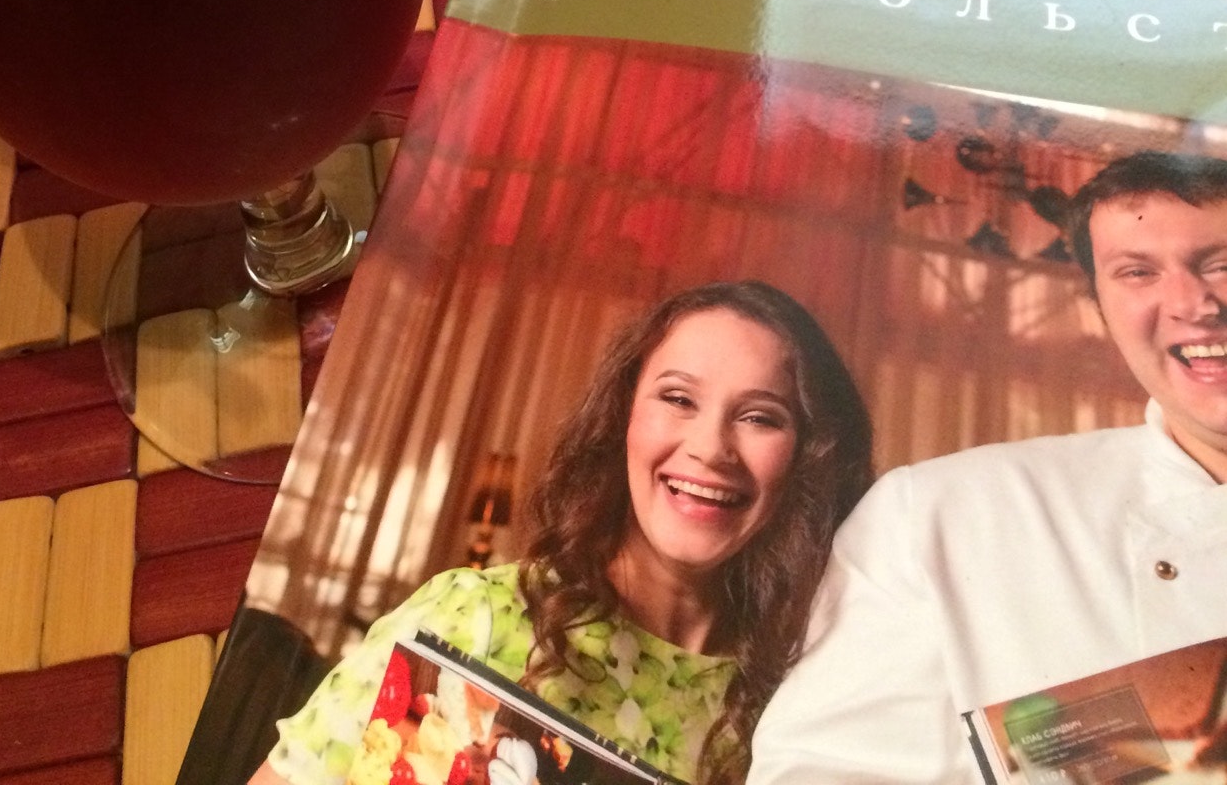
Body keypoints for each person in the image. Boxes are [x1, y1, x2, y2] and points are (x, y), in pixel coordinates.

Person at [249, 280, 873, 785]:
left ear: (808, 455)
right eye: (678, 399)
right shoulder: (477, 617)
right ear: (623, 417)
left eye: (760, 417)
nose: (710, 448)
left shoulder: (799, 701)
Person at [748, 149, 1227, 785]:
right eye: (1137, 272)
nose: (1194, 303)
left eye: (1223, 264)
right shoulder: (944, 515)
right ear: (1100, 305)